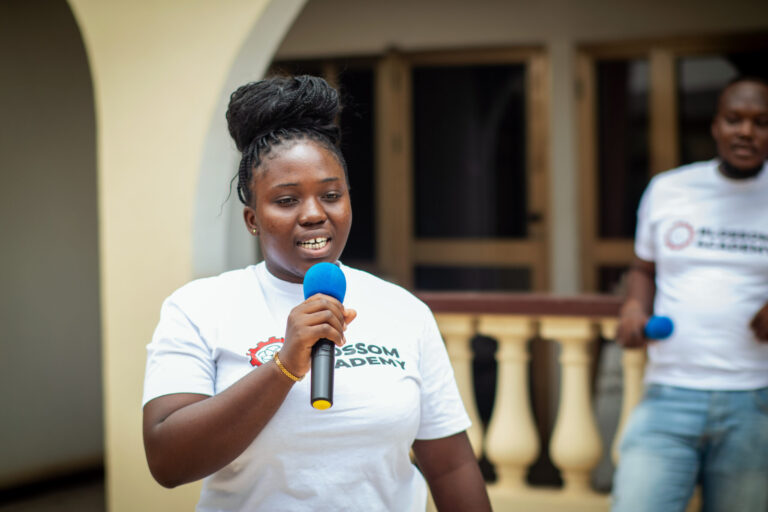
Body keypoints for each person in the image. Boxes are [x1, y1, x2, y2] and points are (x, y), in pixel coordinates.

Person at [141, 75, 492, 512]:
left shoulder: (404, 310)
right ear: (252, 219)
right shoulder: (199, 307)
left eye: (330, 195)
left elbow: (451, 467)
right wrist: (284, 365)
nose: (313, 214)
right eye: (287, 200)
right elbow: (167, 461)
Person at [611, 76, 768, 512]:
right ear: (715, 125)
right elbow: (644, 267)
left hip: (755, 401)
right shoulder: (670, 190)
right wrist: (634, 307)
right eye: (734, 119)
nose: (746, 132)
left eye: (761, 122)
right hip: (668, 394)